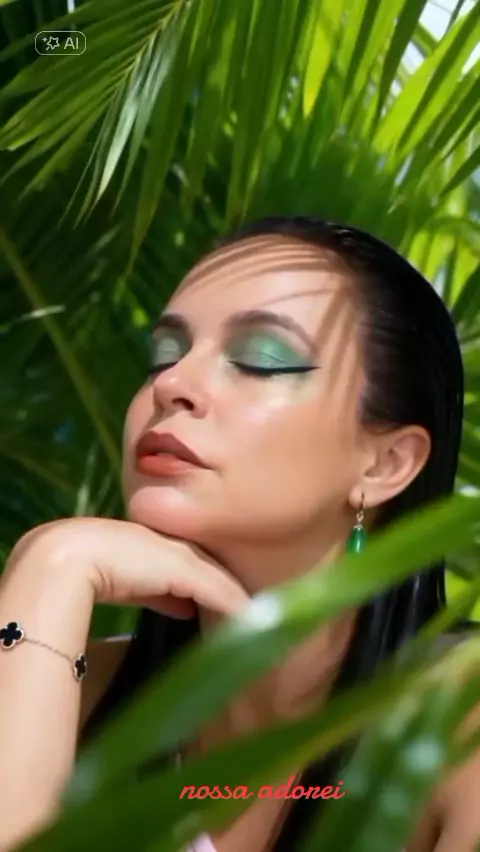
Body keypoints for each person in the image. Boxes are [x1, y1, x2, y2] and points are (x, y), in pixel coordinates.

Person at [0, 215, 477, 852]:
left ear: (384, 464)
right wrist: (51, 564)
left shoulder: (459, 726)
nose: (171, 385)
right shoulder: (58, 683)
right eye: (163, 356)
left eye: (260, 359)